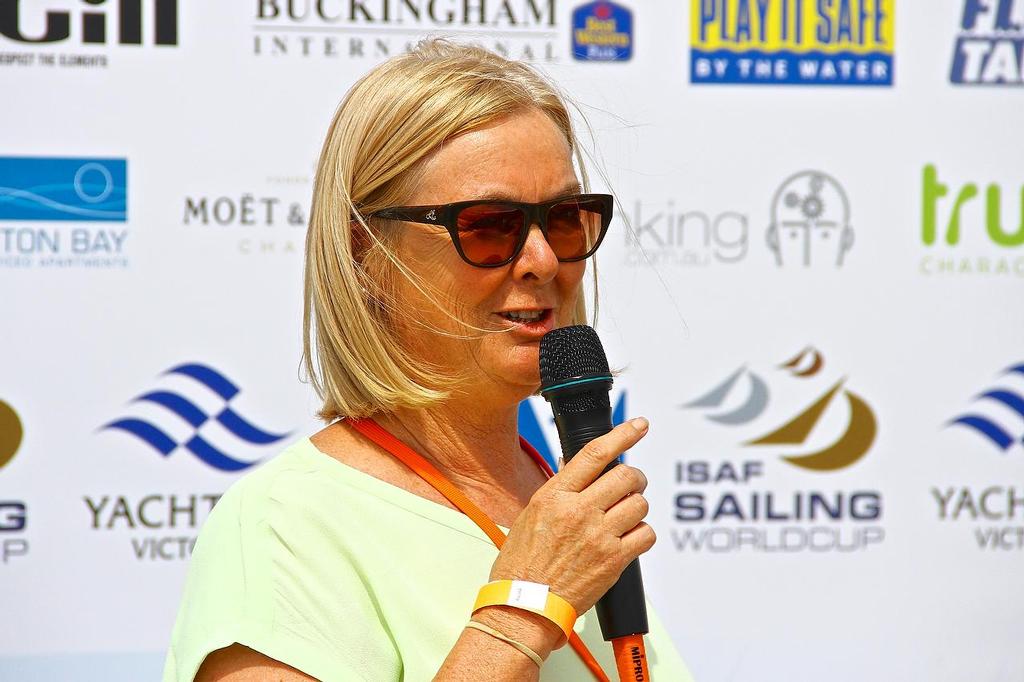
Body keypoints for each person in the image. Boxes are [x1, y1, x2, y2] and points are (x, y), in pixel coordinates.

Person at [163, 39, 694, 682]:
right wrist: (521, 612)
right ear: (368, 257)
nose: (545, 261)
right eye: (488, 226)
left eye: (563, 219)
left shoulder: (555, 498)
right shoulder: (284, 523)